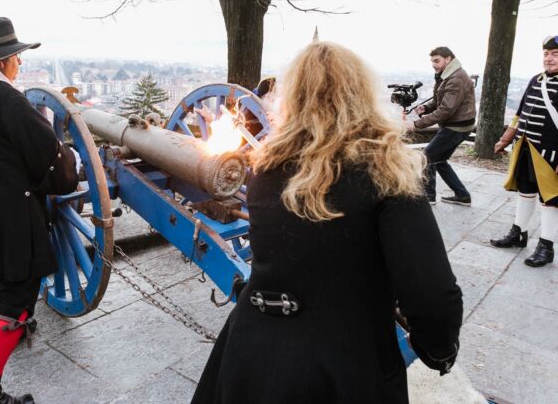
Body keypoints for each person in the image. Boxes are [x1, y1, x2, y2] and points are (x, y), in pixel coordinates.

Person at [191, 42, 463, 404]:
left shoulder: (266, 169)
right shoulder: (388, 175)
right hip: (345, 364)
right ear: (363, 95)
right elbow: (432, 294)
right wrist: (437, 350)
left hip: (251, 351)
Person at [0, 17, 79, 404]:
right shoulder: (4, 98)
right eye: (17, 57)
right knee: (16, 294)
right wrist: (72, 163)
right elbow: (48, 155)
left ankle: (13, 336)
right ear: (4, 60)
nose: (20, 63)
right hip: (11, 214)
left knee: (17, 290)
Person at [489, 35, 558, 268]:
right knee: (525, 191)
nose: (549, 59)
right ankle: (519, 233)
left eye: (555, 54)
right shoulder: (535, 80)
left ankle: (546, 247)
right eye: (546, 54)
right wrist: (505, 138)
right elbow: (520, 114)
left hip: (551, 153)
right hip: (526, 147)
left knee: (551, 200)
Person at [405, 47, 477, 206]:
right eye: (432, 61)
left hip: (456, 127)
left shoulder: (455, 79)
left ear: (448, 59)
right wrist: (426, 108)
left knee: (427, 157)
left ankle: (428, 196)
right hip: (459, 124)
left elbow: (446, 110)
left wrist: (416, 124)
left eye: (437, 61)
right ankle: (462, 195)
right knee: (439, 160)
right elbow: (441, 101)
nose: (434, 65)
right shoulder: (447, 75)